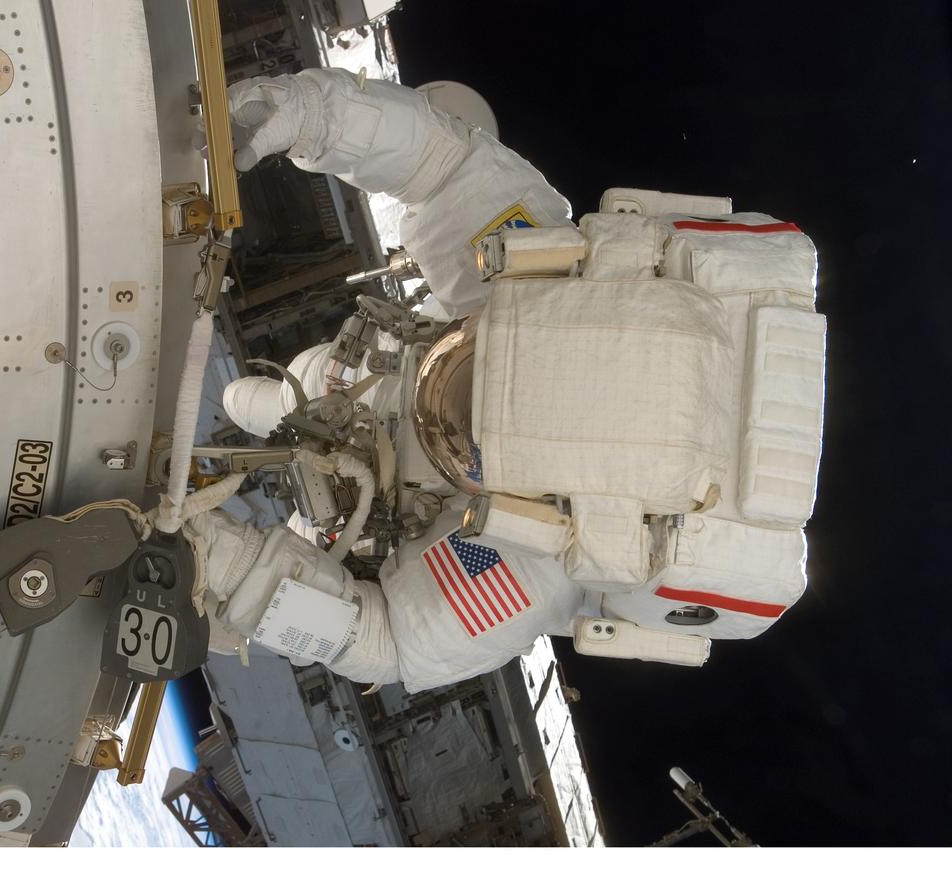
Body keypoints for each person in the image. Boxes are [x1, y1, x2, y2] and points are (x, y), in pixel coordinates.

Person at [187, 69, 825, 692]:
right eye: (471, 368)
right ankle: (260, 405)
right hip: (338, 375)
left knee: (258, 403)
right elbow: (440, 168)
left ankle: (255, 416)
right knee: (254, 400)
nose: (463, 403)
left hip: (329, 457)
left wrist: (228, 562)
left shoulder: (527, 562)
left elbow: (388, 641)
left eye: (472, 419)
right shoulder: (532, 283)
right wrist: (307, 111)